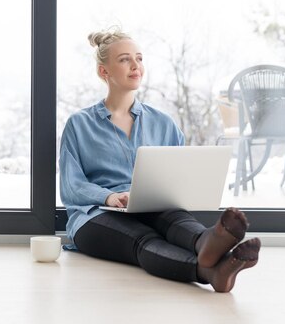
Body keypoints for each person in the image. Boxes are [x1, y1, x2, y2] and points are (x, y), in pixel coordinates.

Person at [59, 28, 260, 293]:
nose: (136, 66)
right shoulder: (79, 124)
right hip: (94, 215)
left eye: (139, 58)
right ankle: (205, 270)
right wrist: (109, 197)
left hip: (151, 208)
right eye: (124, 59)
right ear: (103, 71)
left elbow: (179, 176)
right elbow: (71, 186)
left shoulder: (163, 123)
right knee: (144, 240)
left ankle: (208, 241)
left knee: (176, 220)